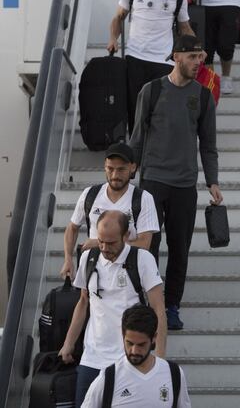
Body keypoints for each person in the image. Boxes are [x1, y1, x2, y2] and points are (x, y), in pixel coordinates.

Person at [129, 34, 223, 330]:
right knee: (149, 247)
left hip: (184, 184)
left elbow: (208, 144)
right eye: (193, 57)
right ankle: (148, 305)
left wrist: (213, 181)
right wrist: (128, 175)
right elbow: (137, 137)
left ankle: (171, 307)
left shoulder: (203, 95)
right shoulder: (152, 90)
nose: (198, 63)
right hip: (153, 181)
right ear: (177, 57)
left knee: (180, 249)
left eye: (201, 57)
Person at [59, 210, 167, 407]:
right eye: (100, 241)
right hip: (92, 358)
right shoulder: (89, 258)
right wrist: (69, 343)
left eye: (111, 243)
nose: (104, 248)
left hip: (128, 360)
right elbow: (83, 302)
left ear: (126, 236)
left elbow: (158, 309)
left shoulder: (142, 259)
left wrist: (159, 359)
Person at [107, 0, 194, 136]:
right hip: (135, 57)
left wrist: (197, 50)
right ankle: (135, 151)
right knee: (135, 107)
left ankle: (158, 149)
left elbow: (185, 28)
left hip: (163, 61)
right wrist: (113, 39)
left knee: (160, 110)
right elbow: (118, 18)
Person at [60, 143, 159, 280]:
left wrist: (99, 243)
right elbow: (72, 228)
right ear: (105, 167)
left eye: (121, 169)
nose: (114, 175)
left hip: (130, 272)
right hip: (94, 271)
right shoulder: (90, 195)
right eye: (110, 169)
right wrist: (68, 258)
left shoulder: (143, 199)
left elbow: (144, 244)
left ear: (133, 168)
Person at [81, 304, 191, 407]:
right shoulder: (108, 377)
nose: (134, 351)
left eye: (141, 345)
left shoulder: (174, 374)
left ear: (154, 338)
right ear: (123, 336)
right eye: (129, 343)